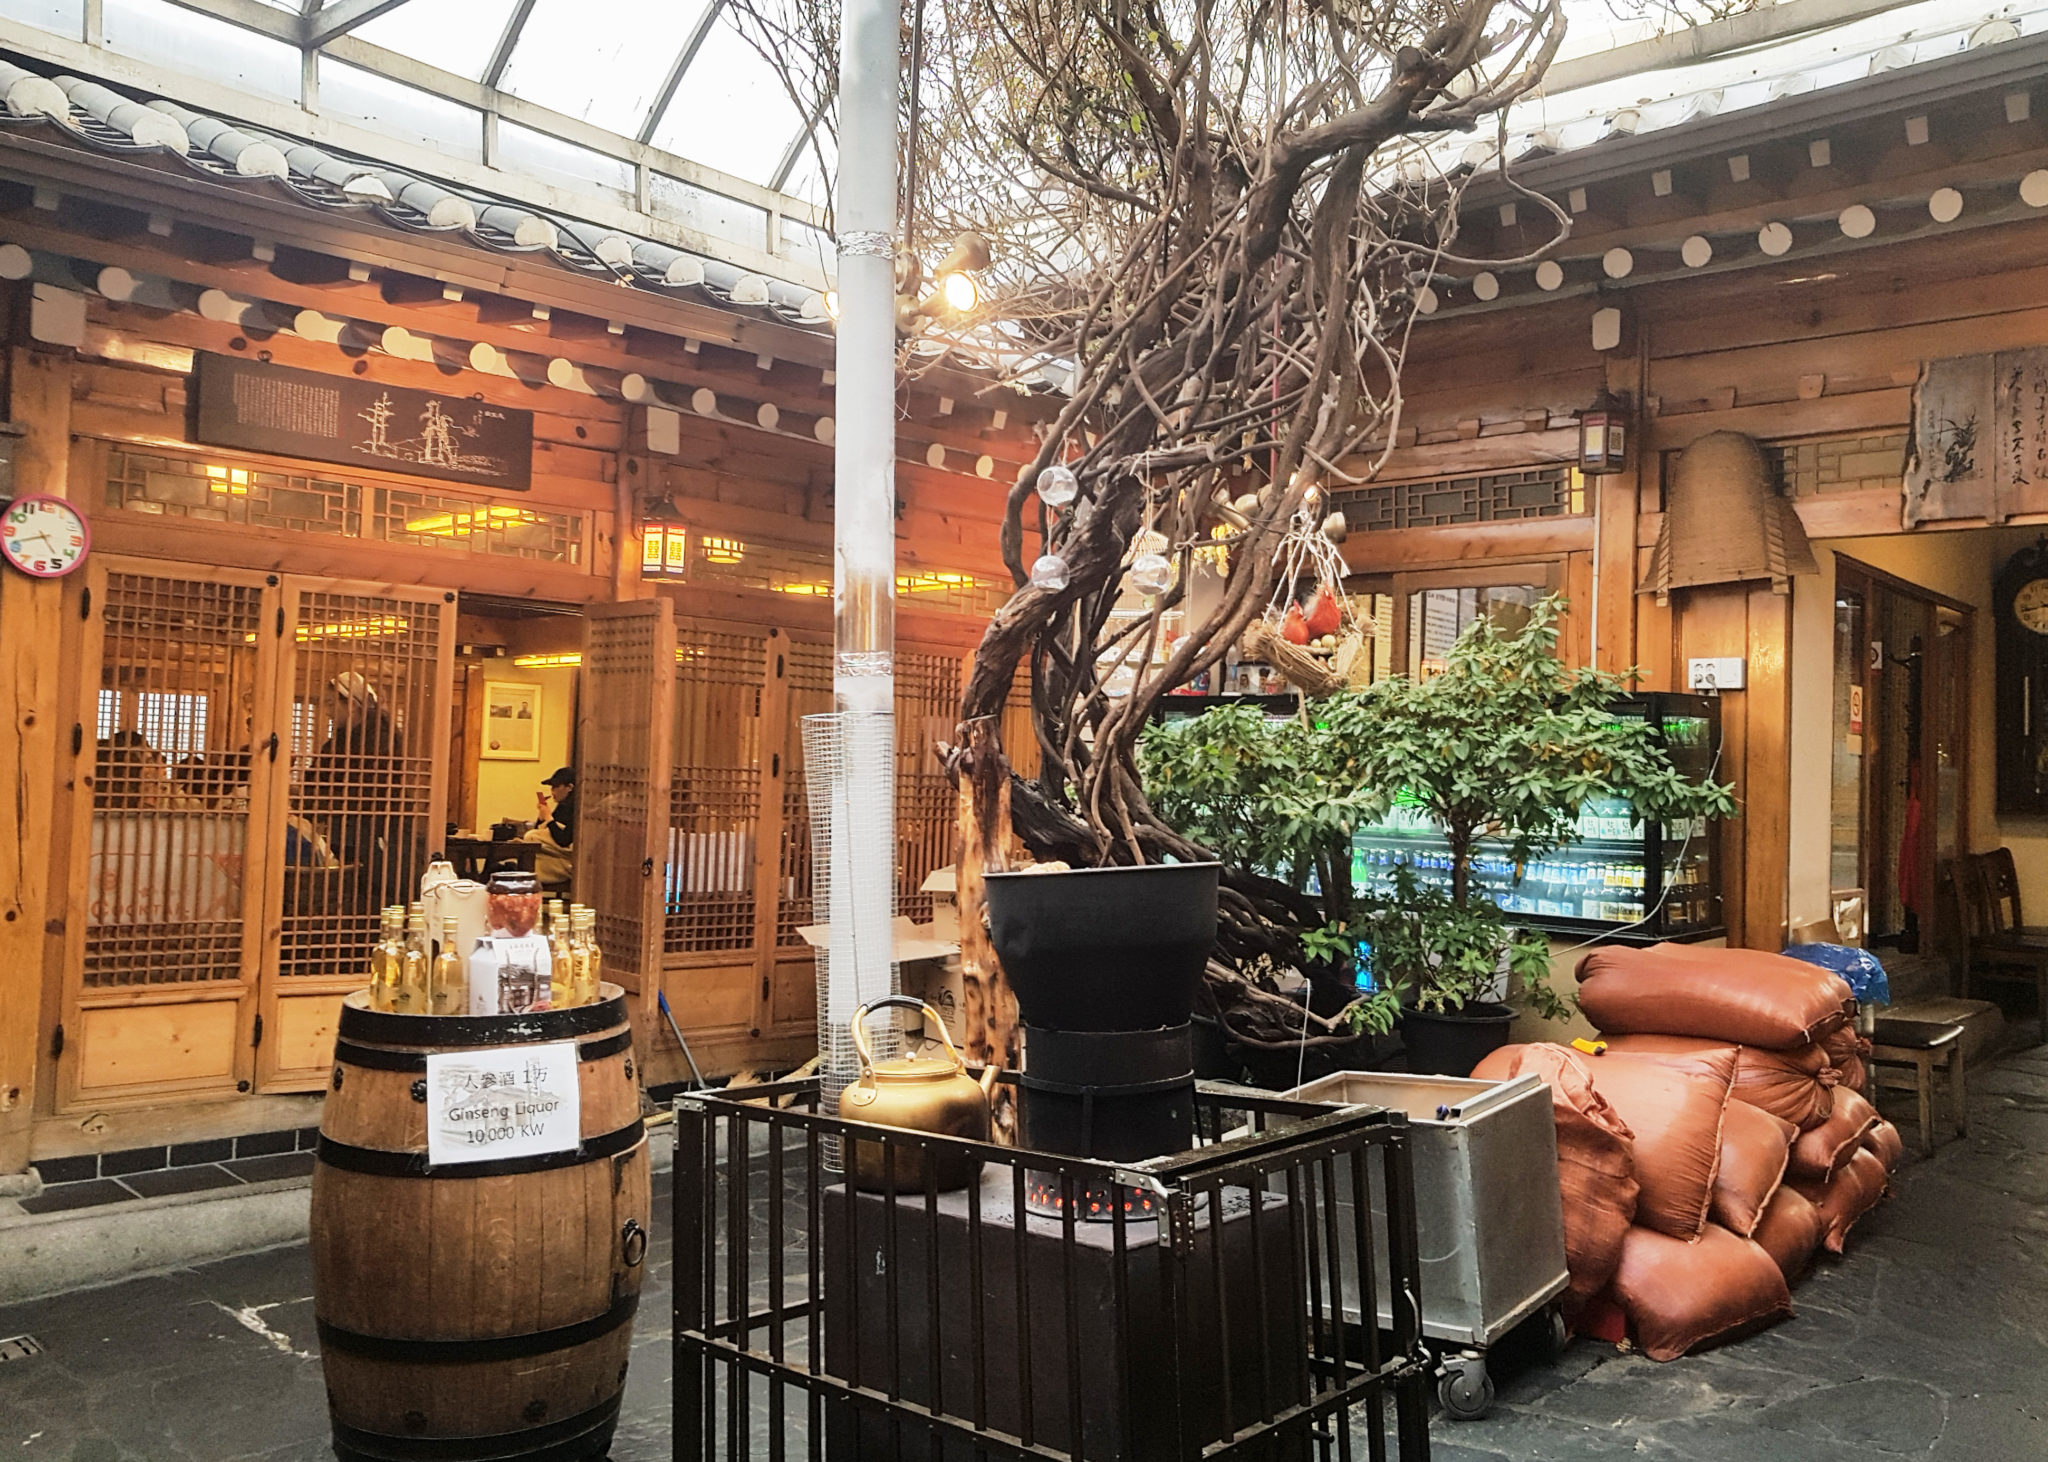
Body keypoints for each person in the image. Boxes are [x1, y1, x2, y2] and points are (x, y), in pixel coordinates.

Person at [523, 766, 576, 894]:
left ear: (569, 787)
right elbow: (546, 832)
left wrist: (549, 818)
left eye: (556, 787)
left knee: (530, 837)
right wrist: (542, 817)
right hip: (554, 857)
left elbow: (563, 840)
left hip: (567, 861)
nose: (552, 791)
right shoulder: (562, 806)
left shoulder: (575, 809)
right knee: (527, 854)